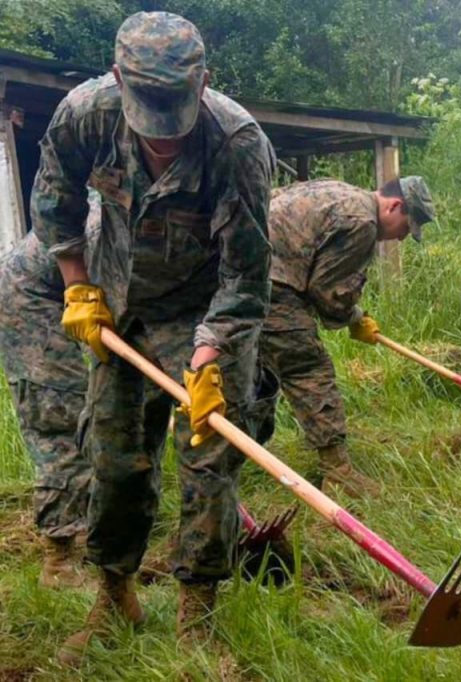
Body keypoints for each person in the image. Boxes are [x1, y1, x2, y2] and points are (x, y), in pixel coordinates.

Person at [30, 12, 275, 663]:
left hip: (207, 313)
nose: (163, 132)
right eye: (149, 108)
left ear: (204, 82)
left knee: (210, 462)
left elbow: (247, 273)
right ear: (117, 79)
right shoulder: (85, 114)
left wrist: (210, 352)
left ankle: (198, 619)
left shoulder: (237, 144)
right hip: (118, 304)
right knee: (113, 456)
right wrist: (78, 286)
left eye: (176, 107)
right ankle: (114, 598)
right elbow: (53, 203)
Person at [261, 177, 435, 496]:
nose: (402, 238)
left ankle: (233, 454)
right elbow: (327, 291)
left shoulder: (337, 190)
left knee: (255, 372)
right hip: (270, 285)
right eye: (406, 227)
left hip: (234, 271)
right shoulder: (363, 223)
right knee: (308, 369)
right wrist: (354, 317)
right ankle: (338, 472)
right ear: (394, 206)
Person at [0, 224, 95, 588]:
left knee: (99, 417)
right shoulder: (114, 225)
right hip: (29, 300)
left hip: (71, 291)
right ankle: (60, 563)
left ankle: (90, 537)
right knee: (61, 419)